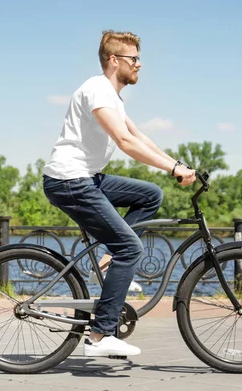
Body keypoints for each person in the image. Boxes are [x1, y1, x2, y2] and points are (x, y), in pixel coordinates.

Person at [42, 30, 196, 357]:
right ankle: (98, 336)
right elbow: (125, 144)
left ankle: (112, 258)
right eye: (134, 59)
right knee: (131, 247)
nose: (139, 65)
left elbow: (139, 137)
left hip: (87, 178)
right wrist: (172, 170)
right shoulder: (97, 89)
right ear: (114, 60)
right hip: (70, 181)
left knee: (150, 195)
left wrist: (178, 164)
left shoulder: (113, 96)